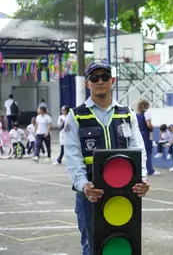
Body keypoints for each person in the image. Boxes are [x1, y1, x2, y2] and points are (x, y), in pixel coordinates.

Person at [64, 59, 150, 255]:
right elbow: (72, 156)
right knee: (94, 247)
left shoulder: (127, 114)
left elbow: (138, 149)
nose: (100, 81)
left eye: (104, 77)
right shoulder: (76, 116)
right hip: (91, 196)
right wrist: (84, 185)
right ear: (87, 83)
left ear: (112, 80)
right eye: (94, 78)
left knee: (123, 246)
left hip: (124, 194)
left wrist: (142, 178)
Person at [136, 99, 160, 176]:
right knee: (148, 152)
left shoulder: (138, 114)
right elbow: (148, 125)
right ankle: (150, 170)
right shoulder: (147, 113)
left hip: (140, 133)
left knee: (142, 152)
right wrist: (152, 128)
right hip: (146, 134)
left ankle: (143, 169)